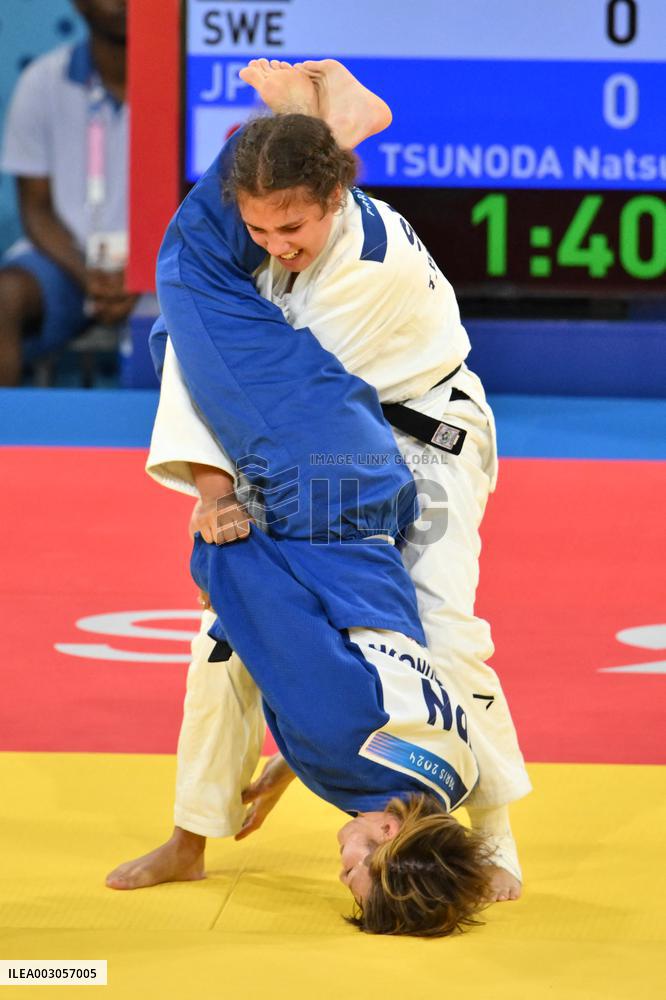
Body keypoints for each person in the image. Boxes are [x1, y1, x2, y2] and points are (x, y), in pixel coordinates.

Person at [107, 62, 530, 930]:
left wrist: (218, 503)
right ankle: (194, 833)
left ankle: (488, 831)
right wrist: (213, 492)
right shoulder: (291, 232)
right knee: (224, 644)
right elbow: (213, 356)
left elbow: (245, 384)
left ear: (337, 196)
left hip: (426, 443)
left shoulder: (360, 272)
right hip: (341, 451)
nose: (276, 244)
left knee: (444, 631)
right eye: (259, 228)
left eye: (290, 226)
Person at [0, 0, 136, 385]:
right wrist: (88, 274)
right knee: (4, 297)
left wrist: (146, 272)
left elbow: (203, 201)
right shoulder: (42, 82)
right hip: (66, 260)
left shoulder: (185, 81)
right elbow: (36, 211)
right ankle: (7, 441)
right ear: (78, 4)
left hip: (162, 262)